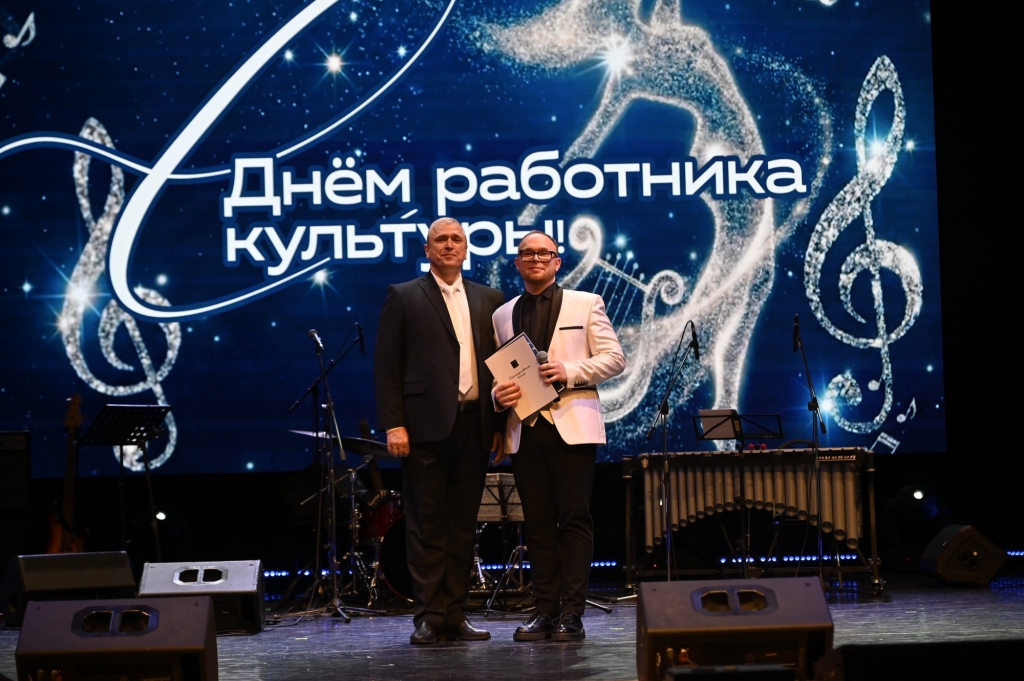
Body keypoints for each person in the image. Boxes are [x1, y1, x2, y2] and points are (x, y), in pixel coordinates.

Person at [374, 217, 505, 644]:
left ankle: (454, 614)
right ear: (427, 250)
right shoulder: (403, 295)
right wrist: (395, 423)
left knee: (463, 525)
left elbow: (499, 366)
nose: (449, 245)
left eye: (456, 239)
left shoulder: (490, 298)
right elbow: (387, 366)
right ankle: (428, 616)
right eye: (440, 239)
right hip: (423, 427)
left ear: (466, 249)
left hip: (475, 424)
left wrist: (498, 426)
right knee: (426, 524)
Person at [492, 230, 625, 642]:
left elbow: (614, 358)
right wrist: (497, 397)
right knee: (537, 525)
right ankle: (544, 610)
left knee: (574, 520)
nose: (535, 259)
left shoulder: (586, 303)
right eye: (527, 253)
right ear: (517, 262)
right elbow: (500, 372)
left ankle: (572, 613)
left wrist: (570, 371)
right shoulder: (502, 314)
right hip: (524, 428)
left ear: (556, 261)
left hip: (571, 426)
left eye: (543, 253)